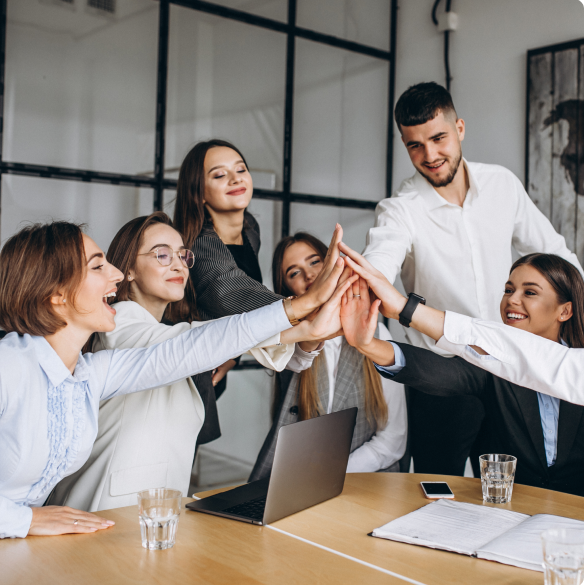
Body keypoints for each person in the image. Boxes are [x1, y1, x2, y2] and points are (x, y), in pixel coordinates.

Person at [0, 221, 354, 539]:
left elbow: (187, 349)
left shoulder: (88, 373)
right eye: (99, 266)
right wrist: (22, 520)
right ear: (56, 294)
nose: (115, 275)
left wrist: (301, 317)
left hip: (21, 547)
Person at [362, 81, 582, 477]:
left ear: (459, 128)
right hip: (440, 376)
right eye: (415, 145)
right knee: (435, 489)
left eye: (439, 138)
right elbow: (377, 265)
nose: (430, 155)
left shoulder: (502, 184)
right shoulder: (400, 210)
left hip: (505, 373)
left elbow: (559, 255)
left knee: (511, 488)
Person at [50, 213, 305, 510]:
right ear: (128, 269)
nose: (178, 264)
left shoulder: (168, 331)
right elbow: (193, 343)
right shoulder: (120, 325)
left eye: (183, 255)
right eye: (161, 254)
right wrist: (299, 316)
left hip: (155, 515)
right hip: (104, 512)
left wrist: (305, 331)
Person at [339, 244, 584, 496]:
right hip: (512, 511)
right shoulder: (491, 362)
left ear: (564, 310)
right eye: (508, 290)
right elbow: (441, 373)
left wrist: (404, 307)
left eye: (530, 292)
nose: (512, 299)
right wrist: (369, 344)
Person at [249, 233, 406, 482]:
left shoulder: (377, 334)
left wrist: (330, 473)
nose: (309, 276)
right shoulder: (289, 345)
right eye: (294, 273)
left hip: (366, 481)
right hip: (301, 479)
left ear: (334, 263)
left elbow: (393, 440)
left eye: (314, 262)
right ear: (286, 289)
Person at [173, 140, 324, 391]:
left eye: (241, 170)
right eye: (220, 174)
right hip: (185, 367)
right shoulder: (198, 245)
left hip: (217, 360)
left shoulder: (250, 228)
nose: (235, 179)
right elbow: (237, 296)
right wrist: (310, 305)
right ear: (198, 194)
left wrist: (233, 354)